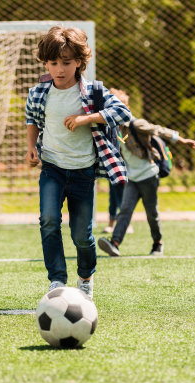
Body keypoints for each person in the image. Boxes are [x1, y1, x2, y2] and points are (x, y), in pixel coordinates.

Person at [25, 26, 132, 299]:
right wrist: (30, 148)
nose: (59, 69)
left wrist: (87, 118)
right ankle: (57, 280)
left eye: (66, 62)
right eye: (53, 63)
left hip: (83, 171)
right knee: (48, 220)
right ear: (46, 63)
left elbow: (122, 112)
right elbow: (31, 119)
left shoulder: (93, 91)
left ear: (79, 62)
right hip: (52, 168)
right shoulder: (39, 92)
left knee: (82, 235)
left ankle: (85, 277)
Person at [98, 89, 195, 257]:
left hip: (148, 175)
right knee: (125, 210)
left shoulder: (136, 124)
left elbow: (159, 130)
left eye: (117, 107)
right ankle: (114, 243)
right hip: (132, 178)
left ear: (126, 108)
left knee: (151, 213)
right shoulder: (115, 129)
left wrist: (183, 140)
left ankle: (157, 243)